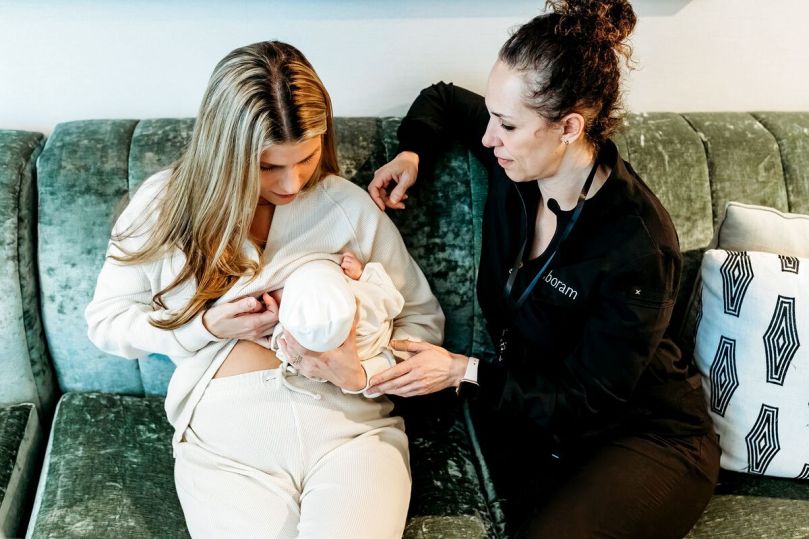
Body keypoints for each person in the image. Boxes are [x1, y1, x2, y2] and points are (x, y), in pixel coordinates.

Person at [366, 1, 720, 537]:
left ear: (569, 127)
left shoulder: (637, 244)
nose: (489, 138)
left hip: (645, 435)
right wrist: (412, 154)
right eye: (492, 116)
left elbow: (588, 398)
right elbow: (442, 98)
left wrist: (463, 370)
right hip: (542, 423)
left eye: (507, 125)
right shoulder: (517, 163)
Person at [85, 41, 444, 538]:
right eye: (268, 167)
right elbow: (105, 324)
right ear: (224, 151)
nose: (292, 184)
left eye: (306, 159)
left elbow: (423, 321)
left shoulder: (345, 205)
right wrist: (203, 326)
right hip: (227, 442)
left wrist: (363, 369)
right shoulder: (163, 205)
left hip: (351, 429)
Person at [263, 253, 404, 398]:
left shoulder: (297, 339)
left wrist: (268, 337)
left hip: (361, 362)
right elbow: (393, 298)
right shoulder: (368, 301)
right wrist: (362, 274)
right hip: (373, 349)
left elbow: (285, 349)